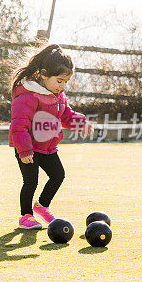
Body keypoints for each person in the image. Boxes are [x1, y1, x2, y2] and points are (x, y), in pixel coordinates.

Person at [8, 44, 92, 229]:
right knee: (31, 181)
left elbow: (65, 115)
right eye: (59, 81)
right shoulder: (27, 96)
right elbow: (18, 125)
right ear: (43, 74)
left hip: (47, 146)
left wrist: (80, 123)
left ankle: (42, 206)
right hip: (28, 148)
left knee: (58, 175)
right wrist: (24, 150)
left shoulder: (57, 95)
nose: (62, 86)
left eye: (65, 82)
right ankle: (26, 216)